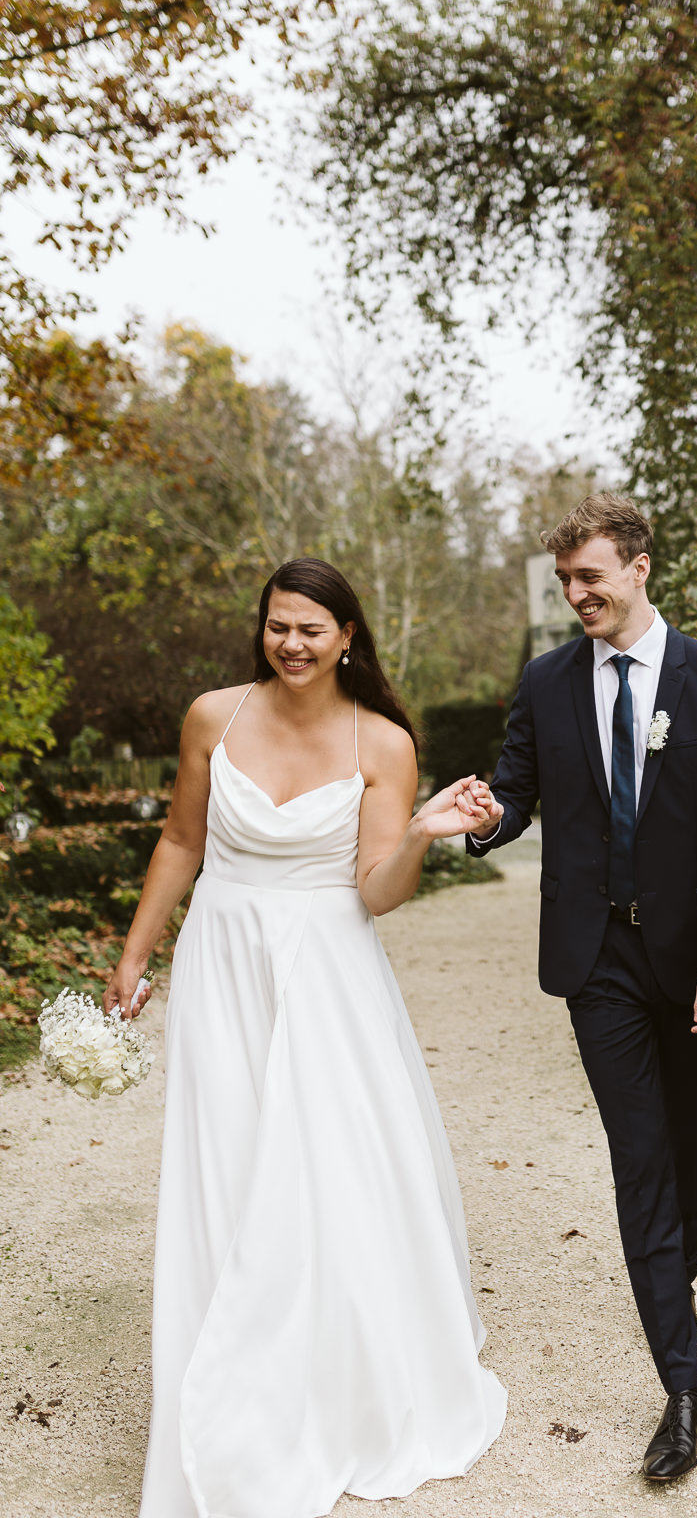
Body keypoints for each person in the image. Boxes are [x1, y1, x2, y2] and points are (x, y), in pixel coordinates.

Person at [104, 557, 506, 1518]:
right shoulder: (215, 715)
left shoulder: (382, 741)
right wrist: (134, 954)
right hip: (225, 961)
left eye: (311, 630)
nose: (291, 644)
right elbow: (181, 842)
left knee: (328, 1166)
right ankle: (226, 1361)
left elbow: (374, 893)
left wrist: (418, 832)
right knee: (232, 1163)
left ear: (347, 638)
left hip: (328, 971)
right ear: (263, 627)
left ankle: (339, 1378)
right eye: (278, 626)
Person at [468, 493, 697, 1483]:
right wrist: (482, 815)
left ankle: (664, 1289)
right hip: (594, 961)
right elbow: (516, 790)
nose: (575, 595)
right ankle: (682, 1389)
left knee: (689, 1153)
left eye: (589, 576)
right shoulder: (547, 682)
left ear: (638, 566)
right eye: (564, 581)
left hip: (691, 965)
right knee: (640, 1159)